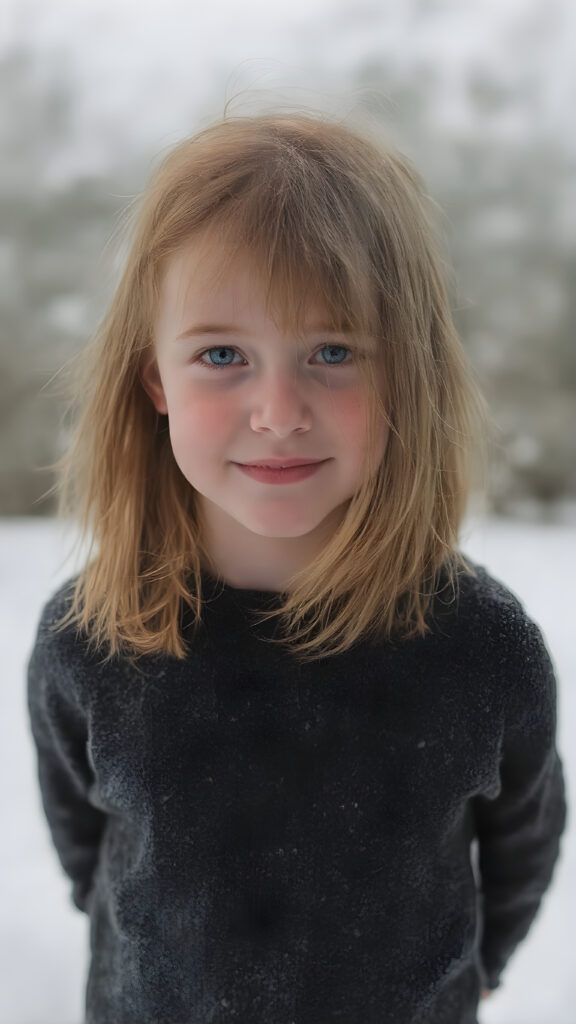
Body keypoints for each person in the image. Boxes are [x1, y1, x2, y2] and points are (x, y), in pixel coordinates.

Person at [27, 111, 566, 1024]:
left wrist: (483, 969)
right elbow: (85, 834)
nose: (279, 411)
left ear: (407, 371)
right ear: (155, 377)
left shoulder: (482, 645)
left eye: (332, 352)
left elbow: (523, 840)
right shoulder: (94, 633)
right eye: (223, 355)